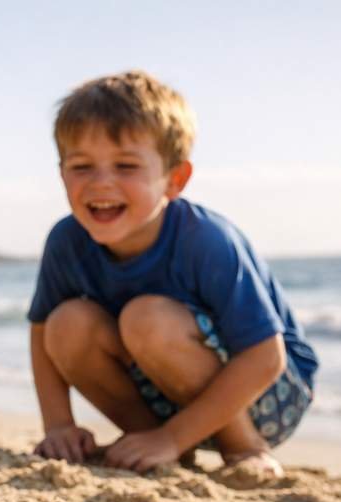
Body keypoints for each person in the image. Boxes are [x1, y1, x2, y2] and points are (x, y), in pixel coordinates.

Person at [27, 70, 317, 477]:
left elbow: (266, 357)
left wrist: (176, 433)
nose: (101, 183)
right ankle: (152, 443)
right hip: (163, 394)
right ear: (62, 174)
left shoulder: (207, 240)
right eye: (82, 166)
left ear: (175, 179)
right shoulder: (66, 241)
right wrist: (58, 424)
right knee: (66, 324)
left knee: (146, 319)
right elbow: (43, 335)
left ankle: (243, 448)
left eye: (126, 165)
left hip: (268, 396)